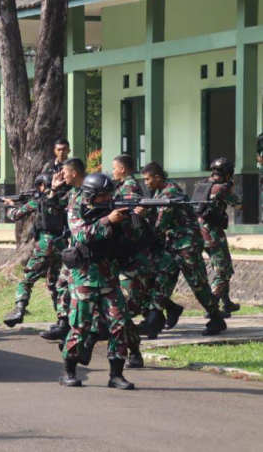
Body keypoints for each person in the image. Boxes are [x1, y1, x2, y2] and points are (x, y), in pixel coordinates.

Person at [58, 173, 134, 390]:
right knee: (80, 326)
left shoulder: (112, 210)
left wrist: (134, 217)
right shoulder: (75, 210)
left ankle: (116, 375)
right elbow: (83, 235)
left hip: (109, 276)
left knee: (120, 325)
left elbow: (129, 238)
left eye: (109, 195)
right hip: (84, 277)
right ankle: (68, 371)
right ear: (91, 196)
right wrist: (108, 220)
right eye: (103, 196)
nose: (107, 199)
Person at [140, 162, 227, 337]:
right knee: (162, 281)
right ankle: (153, 320)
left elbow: (160, 226)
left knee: (198, 284)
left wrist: (144, 216)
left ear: (157, 177)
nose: (146, 183)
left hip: (187, 245)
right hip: (173, 245)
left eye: (148, 179)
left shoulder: (170, 193)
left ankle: (216, 318)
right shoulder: (159, 192)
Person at [1, 172, 66, 327]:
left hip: (45, 244)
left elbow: (16, 215)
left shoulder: (39, 201)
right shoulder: (63, 201)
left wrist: (10, 206)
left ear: (42, 185)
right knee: (55, 283)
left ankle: (19, 310)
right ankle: (62, 321)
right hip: (61, 245)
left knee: (27, 280)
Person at [111, 154, 152, 367]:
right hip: (126, 259)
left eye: (114, 168)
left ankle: (133, 352)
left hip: (134, 261)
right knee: (122, 310)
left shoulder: (129, 189)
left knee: (125, 309)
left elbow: (130, 223)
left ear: (123, 169)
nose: (112, 171)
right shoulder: (122, 188)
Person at [40, 158, 84, 341]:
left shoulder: (89, 192)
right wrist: (54, 189)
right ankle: (63, 324)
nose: (62, 175)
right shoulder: (72, 193)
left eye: (64, 172)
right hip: (74, 250)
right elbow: (53, 209)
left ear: (74, 173)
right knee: (62, 285)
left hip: (88, 251)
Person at [194, 158, 242, 317]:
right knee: (223, 270)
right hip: (213, 234)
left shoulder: (202, 185)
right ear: (228, 173)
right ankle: (213, 307)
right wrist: (231, 190)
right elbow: (238, 204)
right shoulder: (222, 188)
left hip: (198, 233)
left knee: (222, 266)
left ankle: (226, 303)